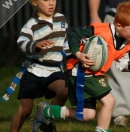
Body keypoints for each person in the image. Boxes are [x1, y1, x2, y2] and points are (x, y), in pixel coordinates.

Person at [32, 1, 130, 132]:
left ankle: (46, 111)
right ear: (119, 25)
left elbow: (122, 63)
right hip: (80, 70)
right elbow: (74, 35)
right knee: (109, 101)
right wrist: (78, 54)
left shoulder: (128, 43)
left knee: (87, 115)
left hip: (94, 74)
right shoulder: (100, 30)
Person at [10, 0, 71, 132]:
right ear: (34, 2)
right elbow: (22, 42)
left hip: (54, 69)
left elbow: (64, 43)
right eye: (46, 0)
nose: (51, 3)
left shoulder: (61, 19)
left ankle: (45, 119)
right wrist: (35, 45)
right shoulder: (31, 24)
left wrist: (73, 56)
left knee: (65, 90)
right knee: (25, 111)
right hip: (33, 70)